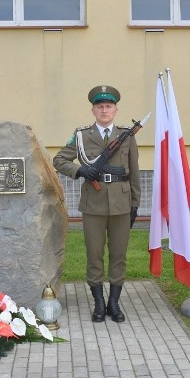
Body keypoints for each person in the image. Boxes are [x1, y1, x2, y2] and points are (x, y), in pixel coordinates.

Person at [53, 85, 141, 323]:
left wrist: (135, 202)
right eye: (100, 106)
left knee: (118, 254)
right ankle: (99, 304)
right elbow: (59, 159)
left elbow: (134, 171)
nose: (104, 110)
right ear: (93, 110)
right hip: (93, 203)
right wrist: (81, 169)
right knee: (94, 255)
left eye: (108, 106)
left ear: (115, 110)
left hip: (122, 202)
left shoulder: (127, 136)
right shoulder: (82, 135)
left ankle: (114, 303)